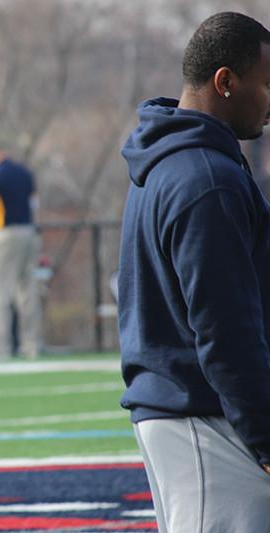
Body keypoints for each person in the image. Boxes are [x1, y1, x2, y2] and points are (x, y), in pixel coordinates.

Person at [118, 12, 270, 532]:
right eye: (268, 85)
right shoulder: (206, 175)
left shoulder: (173, 160)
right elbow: (225, 328)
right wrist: (265, 435)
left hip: (187, 412)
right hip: (206, 417)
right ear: (226, 82)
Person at [0, 139, 41, 358]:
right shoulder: (24, 173)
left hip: (5, 235)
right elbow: (34, 205)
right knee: (28, 291)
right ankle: (31, 345)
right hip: (29, 233)